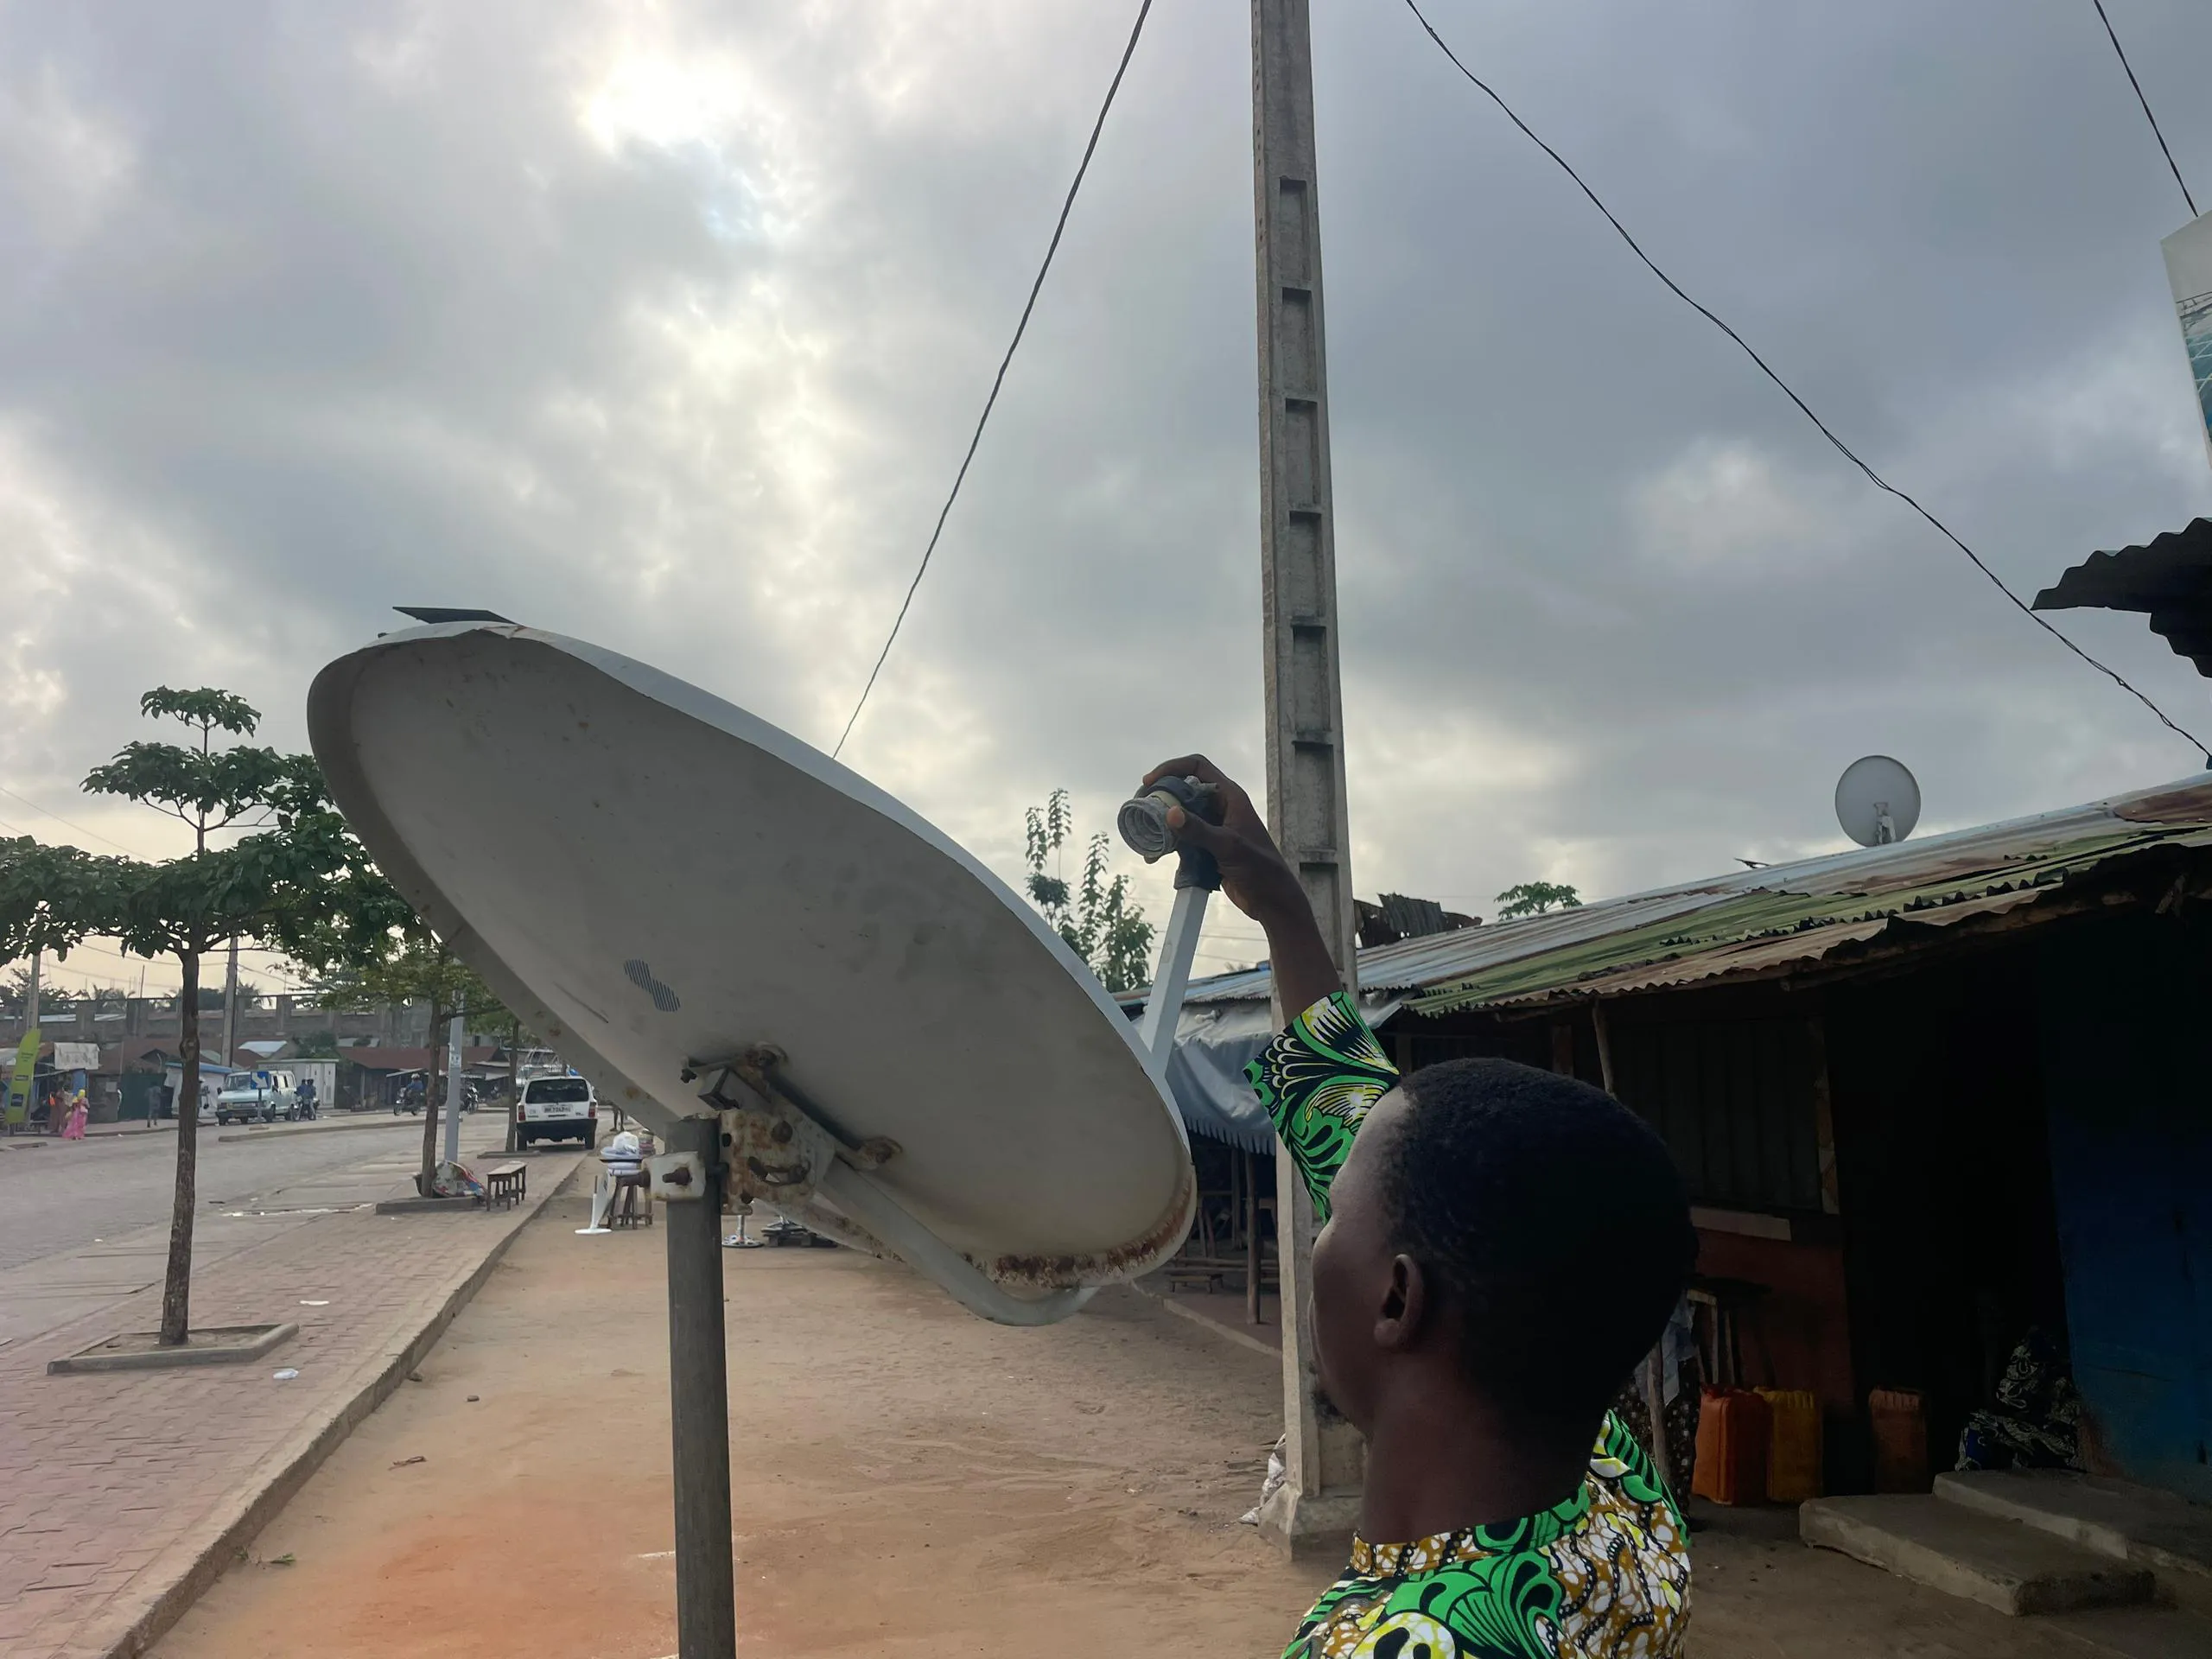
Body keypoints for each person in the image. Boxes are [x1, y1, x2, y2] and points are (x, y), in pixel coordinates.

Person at [1144, 755, 1699, 1659]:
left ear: (1399, 1300)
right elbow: (1362, 1127)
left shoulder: (1407, 1645)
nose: (1323, 1225)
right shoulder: (1612, 1496)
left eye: (1334, 1219)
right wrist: (1279, 899)